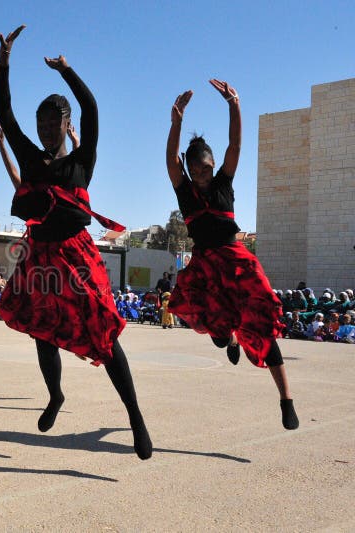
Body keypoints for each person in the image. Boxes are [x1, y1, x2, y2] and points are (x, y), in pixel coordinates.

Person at [0, 25, 151, 459]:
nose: (45, 131)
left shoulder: (83, 160)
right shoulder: (31, 156)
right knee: (41, 331)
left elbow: (92, 108)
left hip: (77, 254)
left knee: (105, 335)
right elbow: (4, 112)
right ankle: (56, 395)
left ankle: (135, 417)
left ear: (67, 126)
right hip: (41, 256)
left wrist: (67, 71)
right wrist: (4, 61)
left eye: (53, 125)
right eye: (41, 124)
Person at [166, 80, 298, 430]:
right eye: (195, 172)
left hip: (237, 261)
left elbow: (236, 144)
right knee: (219, 331)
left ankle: (286, 400)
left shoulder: (224, 182)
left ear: (213, 166)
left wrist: (234, 104)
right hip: (206, 267)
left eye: (205, 170)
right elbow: (170, 161)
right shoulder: (185, 192)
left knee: (263, 326)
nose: (201, 177)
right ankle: (226, 337)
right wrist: (176, 122)